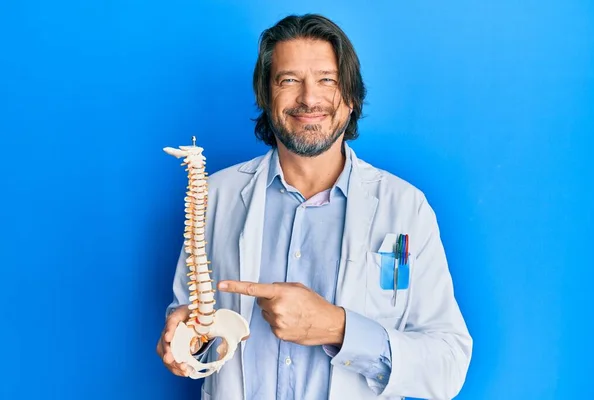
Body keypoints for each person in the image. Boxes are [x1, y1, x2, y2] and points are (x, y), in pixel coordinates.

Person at [157, 13, 472, 400]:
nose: (309, 98)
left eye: (327, 80)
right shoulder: (214, 196)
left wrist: (338, 328)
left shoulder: (406, 207)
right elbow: (188, 313)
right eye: (289, 80)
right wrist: (183, 338)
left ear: (352, 98)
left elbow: (449, 364)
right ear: (265, 95)